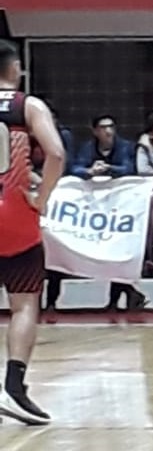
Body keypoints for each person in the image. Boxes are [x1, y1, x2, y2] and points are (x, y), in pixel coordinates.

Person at [0, 39, 67, 426]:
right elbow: (56, 153)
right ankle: (15, 384)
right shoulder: (27, 105)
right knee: (23, 304)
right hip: (14, 214)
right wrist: (42, 198)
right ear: (12, 69)